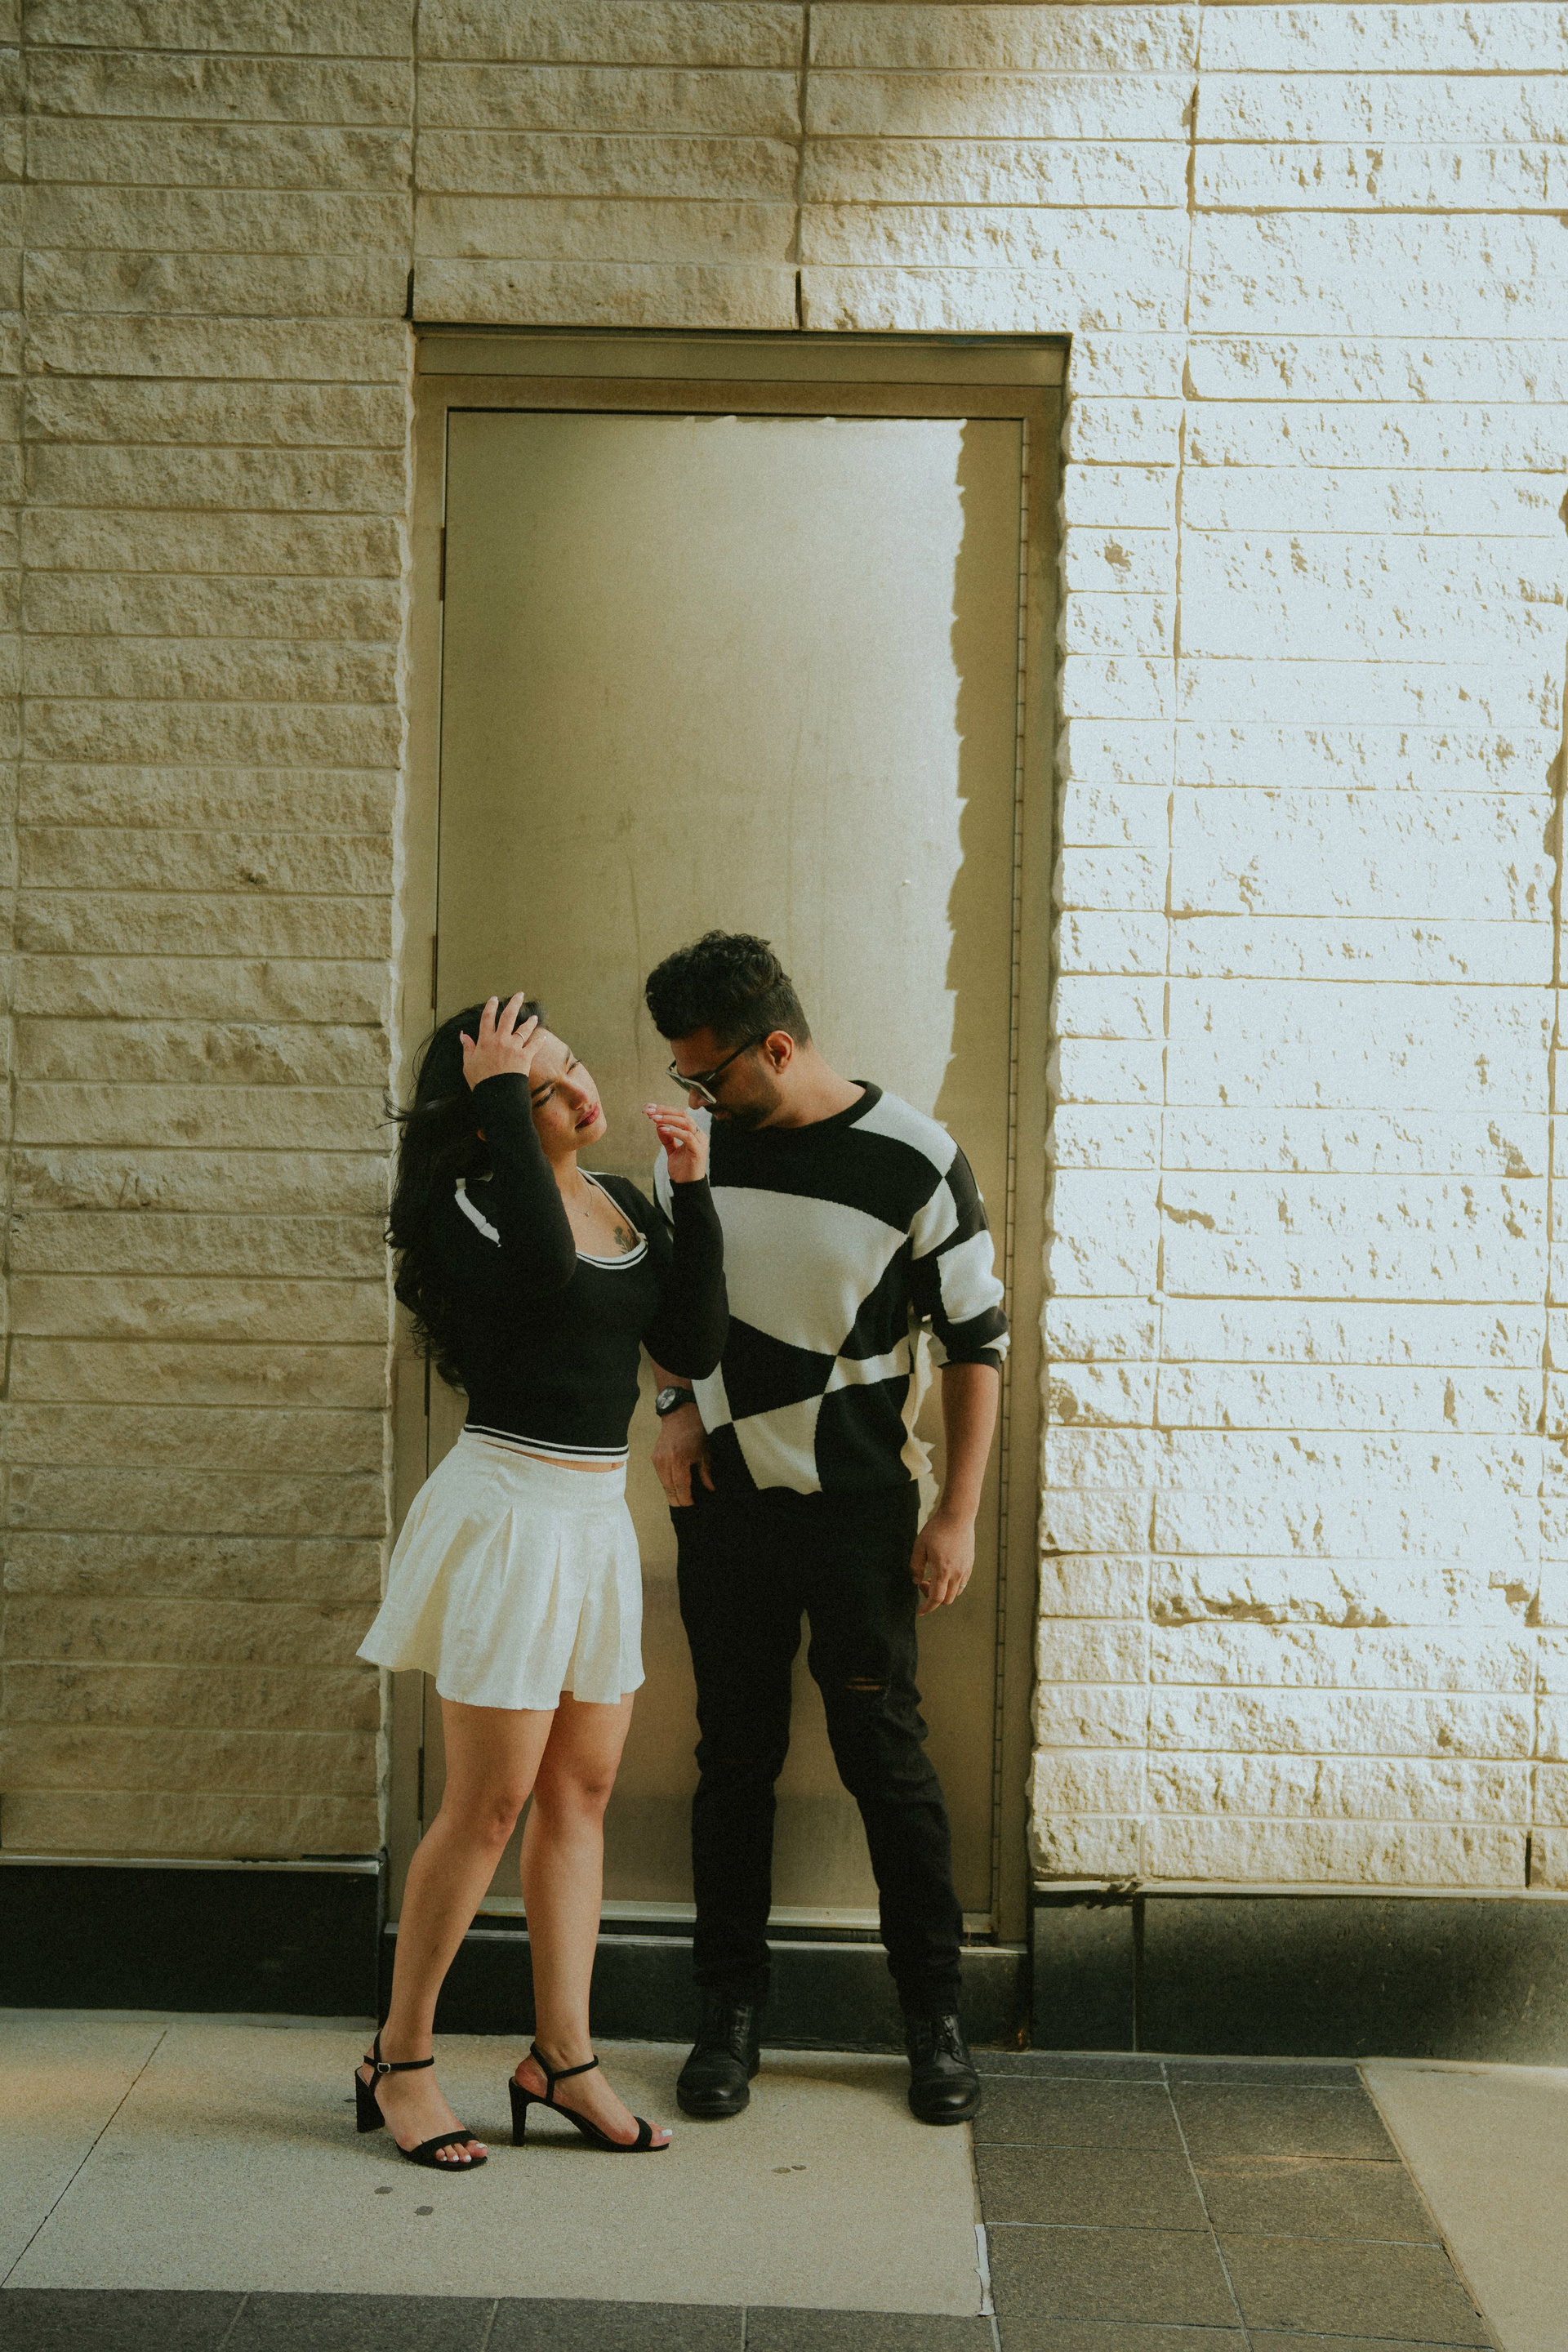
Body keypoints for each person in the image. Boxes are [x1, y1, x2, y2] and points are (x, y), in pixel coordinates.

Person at [354, 991, 726, 2167]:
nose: (579, 1093)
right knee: (489, 1804)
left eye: (569, 1068)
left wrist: (694, 1193)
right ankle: (399, 2058)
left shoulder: (620, 1201)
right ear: (493, 1114)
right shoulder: (475, 1208)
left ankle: (561, 2058)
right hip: (510, 1516)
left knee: (581, 1792)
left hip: (593, 1519)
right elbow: (544, 1275)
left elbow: (693, 1346)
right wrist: (503, 1100)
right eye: (540, 1085)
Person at [643, 933, 1007, 2126]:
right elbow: (665, 1305)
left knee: (883, 1759)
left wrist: (957, 1513)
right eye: (685, 1075)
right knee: (732, 1760)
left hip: (861, 1511)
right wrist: (674, 1412)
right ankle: (728, 2017)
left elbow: (978, 1345)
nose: (695, 1096)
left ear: (777, 1047)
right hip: (728, 1509)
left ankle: (934, 2020)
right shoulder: (696, 1152)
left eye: (709, 1073)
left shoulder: (917, 1159)